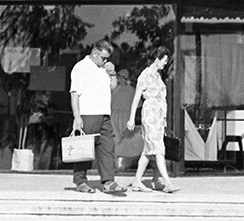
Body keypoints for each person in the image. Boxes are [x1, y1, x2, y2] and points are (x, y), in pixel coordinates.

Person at [67, 39, 126, 194]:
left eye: (107, 58)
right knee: (84, 148)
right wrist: (77, 117)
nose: (105, 61)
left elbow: (113, 87)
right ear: (94, 53)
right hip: (88, 113)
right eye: (103, 58)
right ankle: (80, 181)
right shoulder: (81, 67)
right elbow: (74, 94)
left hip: (104, 114)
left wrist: (112, 73)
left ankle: (108, 181)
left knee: (107, 148)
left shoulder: (103, 69)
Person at [127, 46, 179, 193]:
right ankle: (168, 182)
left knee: (149, 151)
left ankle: (138, 181)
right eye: (164, 60)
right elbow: (137, 97)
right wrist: (131, 118)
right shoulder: (146, 75)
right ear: (157, 60)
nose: (165, 63)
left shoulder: (158, 76)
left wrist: (163, 119)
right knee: (158, 150)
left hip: (158, 117)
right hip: (150, 115)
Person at [109, 66, 143, 171]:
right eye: (119, 77)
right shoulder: (113, 90)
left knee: (124, 140)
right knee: (115, 139)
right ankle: (115, 162)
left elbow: (138, 105)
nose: (121, 79)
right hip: (114, 116)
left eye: (123, 77)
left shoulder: (131, 91)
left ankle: (122, 162)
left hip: (127, 117)